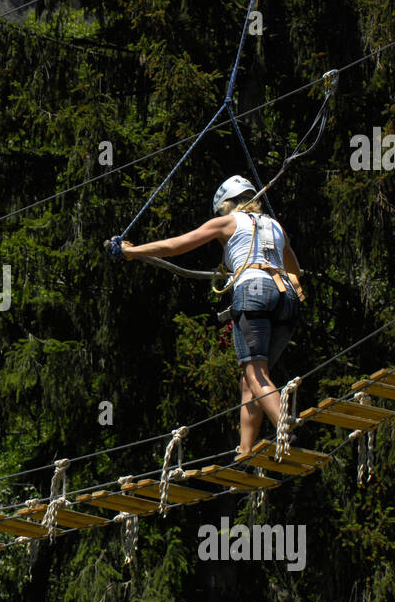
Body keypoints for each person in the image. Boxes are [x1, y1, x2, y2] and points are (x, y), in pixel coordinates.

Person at [114, 175, 304, 457]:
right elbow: (293, 267)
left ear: (227, 205)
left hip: (252, 290)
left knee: (256, 373)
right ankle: (246, 448)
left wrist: (132, 251)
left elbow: (176, 244)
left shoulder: (228, 222)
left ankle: (284, 425)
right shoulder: (276, 226)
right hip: (286, 297)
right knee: (251, 378)